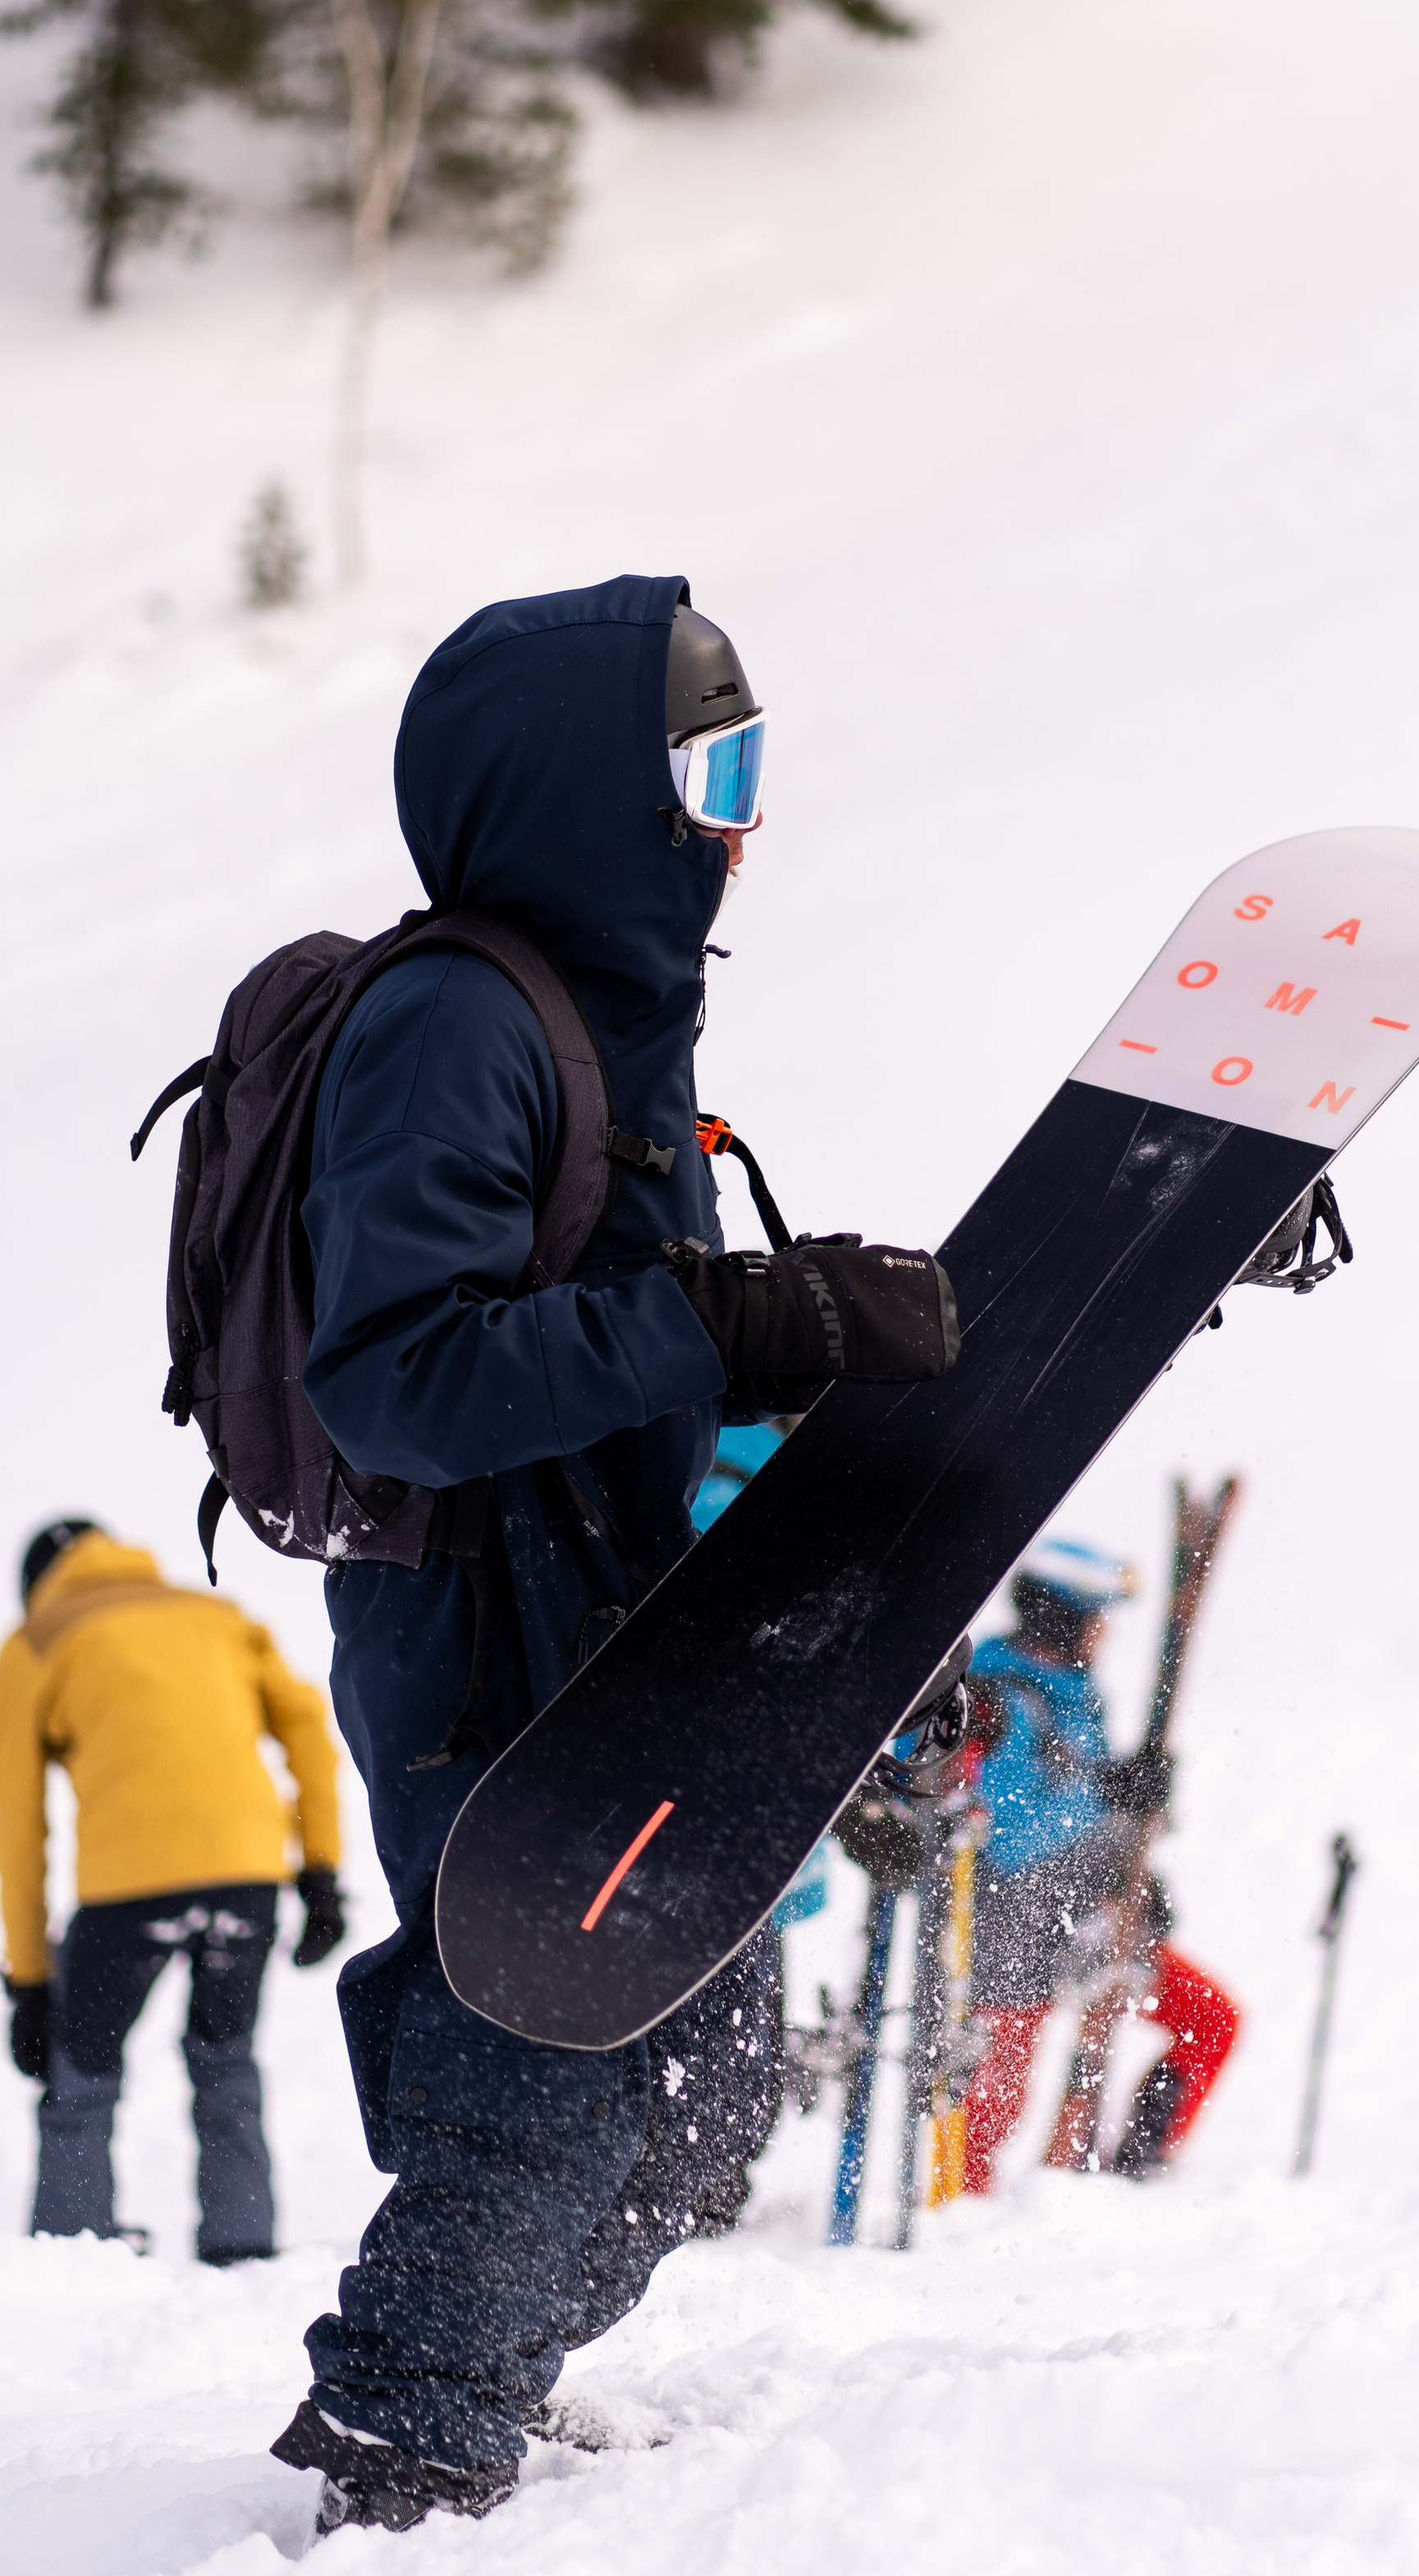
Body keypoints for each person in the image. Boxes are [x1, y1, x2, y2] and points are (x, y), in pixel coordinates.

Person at [266, 577, 958, 2533]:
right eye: (703, 766)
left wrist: (811, 1392)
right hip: (475, 1624)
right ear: (588, 787)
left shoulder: (604, 1021)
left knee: (711, 2062)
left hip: (607, 1594)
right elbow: (397, 1378)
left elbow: (634, 1333)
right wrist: (724, 1323)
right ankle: (403, 2428)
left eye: (750, 767)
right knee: (549, 2029)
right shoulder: (453, 1024)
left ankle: (481, 2354)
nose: (735, 817)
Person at [0, 1513, 345, 2262]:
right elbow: (308, 1728)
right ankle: (241, 2242)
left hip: (128, 1891)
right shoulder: (215, 1617)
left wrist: (29, 1983)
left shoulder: (34, 1642)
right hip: (247, 1879)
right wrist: (320, 1873)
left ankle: (74, 2247)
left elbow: (18, 1828)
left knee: (81, 2078)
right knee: (226, 2060)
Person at [962, 1532, 1239, 2191]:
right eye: (1095, 1619)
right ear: (1059, 1615)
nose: (1103, 1635)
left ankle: (1137, 2168)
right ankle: (957, 2228)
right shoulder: (994, 1700)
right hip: (1010, 1935)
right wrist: (1110, 1795)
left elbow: (1083, 1803)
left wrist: (1129, 1834)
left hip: (1087, 1921)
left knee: (1209, 2020)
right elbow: (1007, 1837)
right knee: (990, 2112)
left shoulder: (1073, 1693)